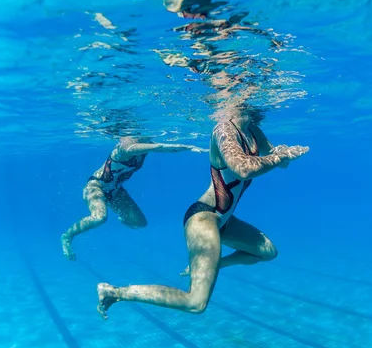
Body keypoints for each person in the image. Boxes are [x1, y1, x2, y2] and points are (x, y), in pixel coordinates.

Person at [97, 110, 309, 316]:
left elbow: (278, 162)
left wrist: (283, 153)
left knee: (267, 252)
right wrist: (281, 156)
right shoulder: (223, 129)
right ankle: (115, 293)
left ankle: (217, 264)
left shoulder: (253, 130)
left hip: (225, 220)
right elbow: (243, 169)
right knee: (196, 303)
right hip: (204, 217)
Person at [61, 137, 206, 261]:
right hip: (96, 187)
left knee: (141, 223)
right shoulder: (125, 148)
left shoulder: (146, 142)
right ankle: (67, 237)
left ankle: (121, 218)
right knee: (100, 217)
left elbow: (161, 145)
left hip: (116, 191)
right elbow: (160, 147)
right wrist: (189, 147)